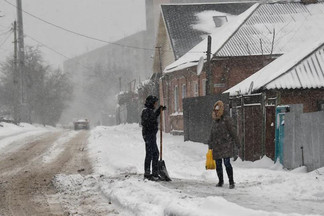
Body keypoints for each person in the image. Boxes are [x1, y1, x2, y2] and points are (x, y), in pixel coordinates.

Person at [208, 100, 240, 189]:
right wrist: (210, 144)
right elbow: (212, 133)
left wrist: (237, 143)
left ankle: (231, 182)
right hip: (217, 146)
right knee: (218, 164)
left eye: (218, 110)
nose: (216, 112)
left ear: (222, 109)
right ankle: (220, 181)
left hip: (226, 145)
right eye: (215, 110)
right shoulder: (215, 121)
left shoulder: (227, 120)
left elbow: (233, 132)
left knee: (227, 163)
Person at [141, 95, 166, 180]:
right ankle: (147, 173)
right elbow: (148, 121)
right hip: (148, 135)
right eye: (155, 103)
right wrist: (158, 112)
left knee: (155, 153)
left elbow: (153, 117)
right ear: (151, 103)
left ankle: (154, 173)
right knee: (150, 154)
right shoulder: (145, 111)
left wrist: (159, 110)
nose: (156, 104)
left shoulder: (150, 111)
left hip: (152, 135)